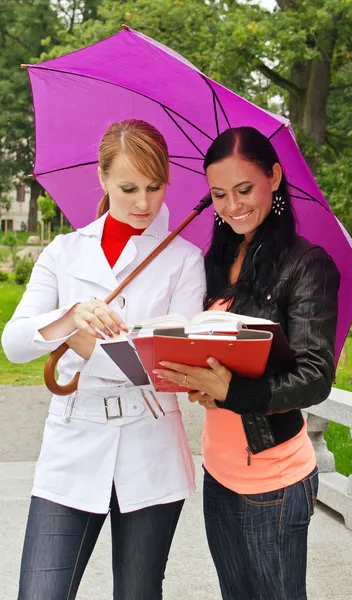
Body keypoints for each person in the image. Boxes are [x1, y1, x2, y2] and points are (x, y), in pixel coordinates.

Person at [2, 119, 206, 600]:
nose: (143, 203)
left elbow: (174, 369)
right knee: (41, 592)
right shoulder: (65, 253)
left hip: (151, 446)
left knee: (138, 592)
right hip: (72, 444)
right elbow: (13, 343)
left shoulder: (184, 260)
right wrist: (72, 316)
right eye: (128, 187)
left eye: (155, 187)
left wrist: (85, 344)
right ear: (102, 178)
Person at [155, 126, 340, 600]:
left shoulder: (305, 265)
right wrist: (197, 378)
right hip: (218, 469)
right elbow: (216, 353)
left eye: (244, 189)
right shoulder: (216, 261)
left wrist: (231, 392)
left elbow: (315, 377)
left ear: (274, 177)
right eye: (219, 194)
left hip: (274, 477)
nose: (233, 206)